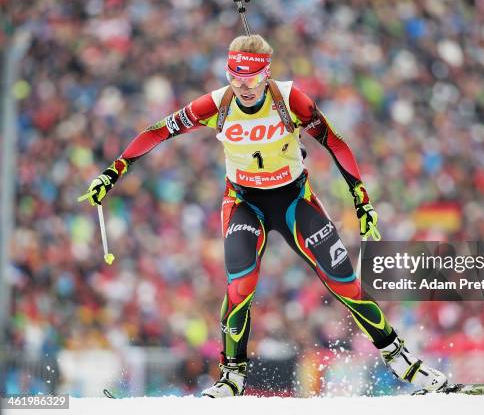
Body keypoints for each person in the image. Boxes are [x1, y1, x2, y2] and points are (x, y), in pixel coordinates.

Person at [80, 34, 449, 397]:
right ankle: (232, 378)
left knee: (345, 284)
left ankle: (404, 363)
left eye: (252, 78)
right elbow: (157, 131)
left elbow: (335, 141)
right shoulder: (218, 105)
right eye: (235, 78)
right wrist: (112, 173)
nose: (243, 87)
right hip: (244, 203)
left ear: (266, 74)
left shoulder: (290, 100)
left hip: (293, 200)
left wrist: (362, 200)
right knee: (240, 287)